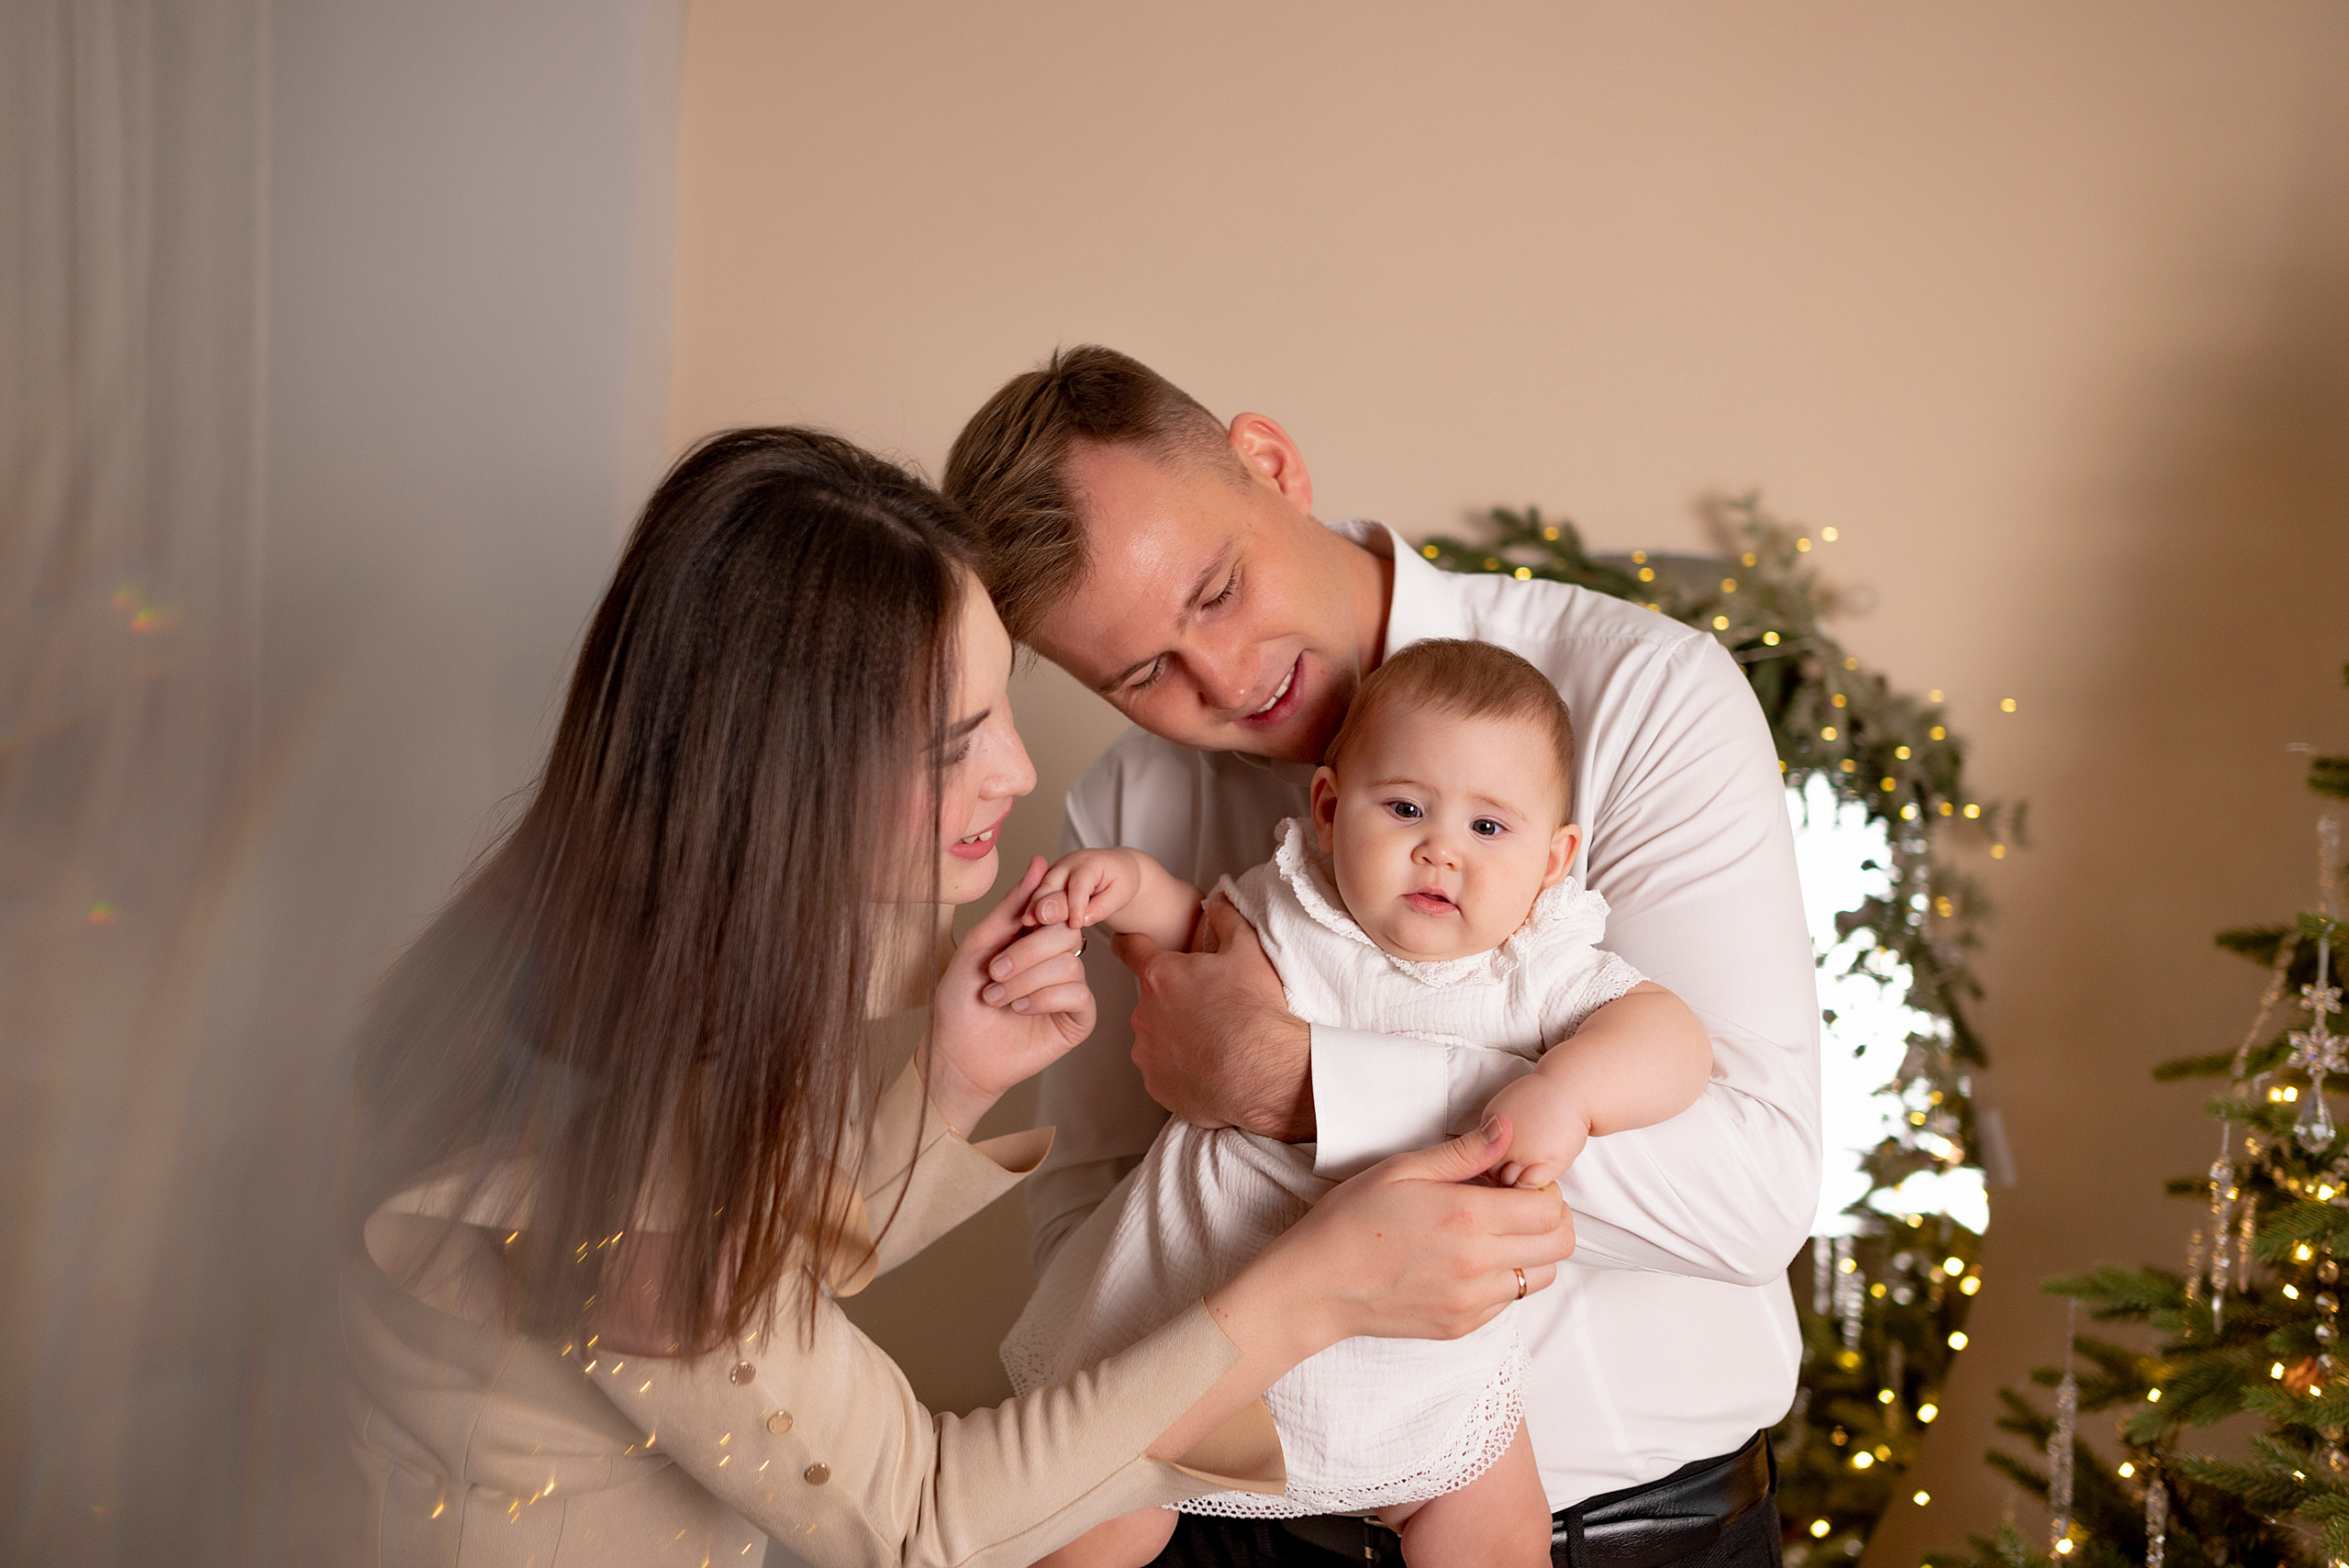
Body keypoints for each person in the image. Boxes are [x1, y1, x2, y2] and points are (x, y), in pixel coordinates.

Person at [338, 428, 1577, 1568]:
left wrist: (951, 1080)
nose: (1021, 770)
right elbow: (924, 1520)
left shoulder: (610, 989)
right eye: (958, 740)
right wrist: (1313, 1290)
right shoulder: (579, 1180)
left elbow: (750, 1293)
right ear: (792, 777)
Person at [941, 349, 1821, 1567]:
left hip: (1614, 1534)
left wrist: (1299, 1086)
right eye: (1142, 672)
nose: (1228, 677)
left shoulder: (1643, 696)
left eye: (1217, 590)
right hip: (1232, 1524)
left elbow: (1756, 1189)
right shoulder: (1132, 802)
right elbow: (1088, 1198)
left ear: (1272, 466)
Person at [999, 639, 1713, 1568]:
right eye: (1406, 806)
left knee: (1492, 1528)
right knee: (1086, 1509)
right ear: (1330, 810)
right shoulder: (1294, 910)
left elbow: (1672, 1039)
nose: (1439, 848)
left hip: (1419, 1351)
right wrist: (1133, 887)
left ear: (1554, 858)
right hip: (1203, 1315)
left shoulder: (1536, 968)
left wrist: (1568, 1089)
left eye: (1489, 827)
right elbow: (1191, 941)